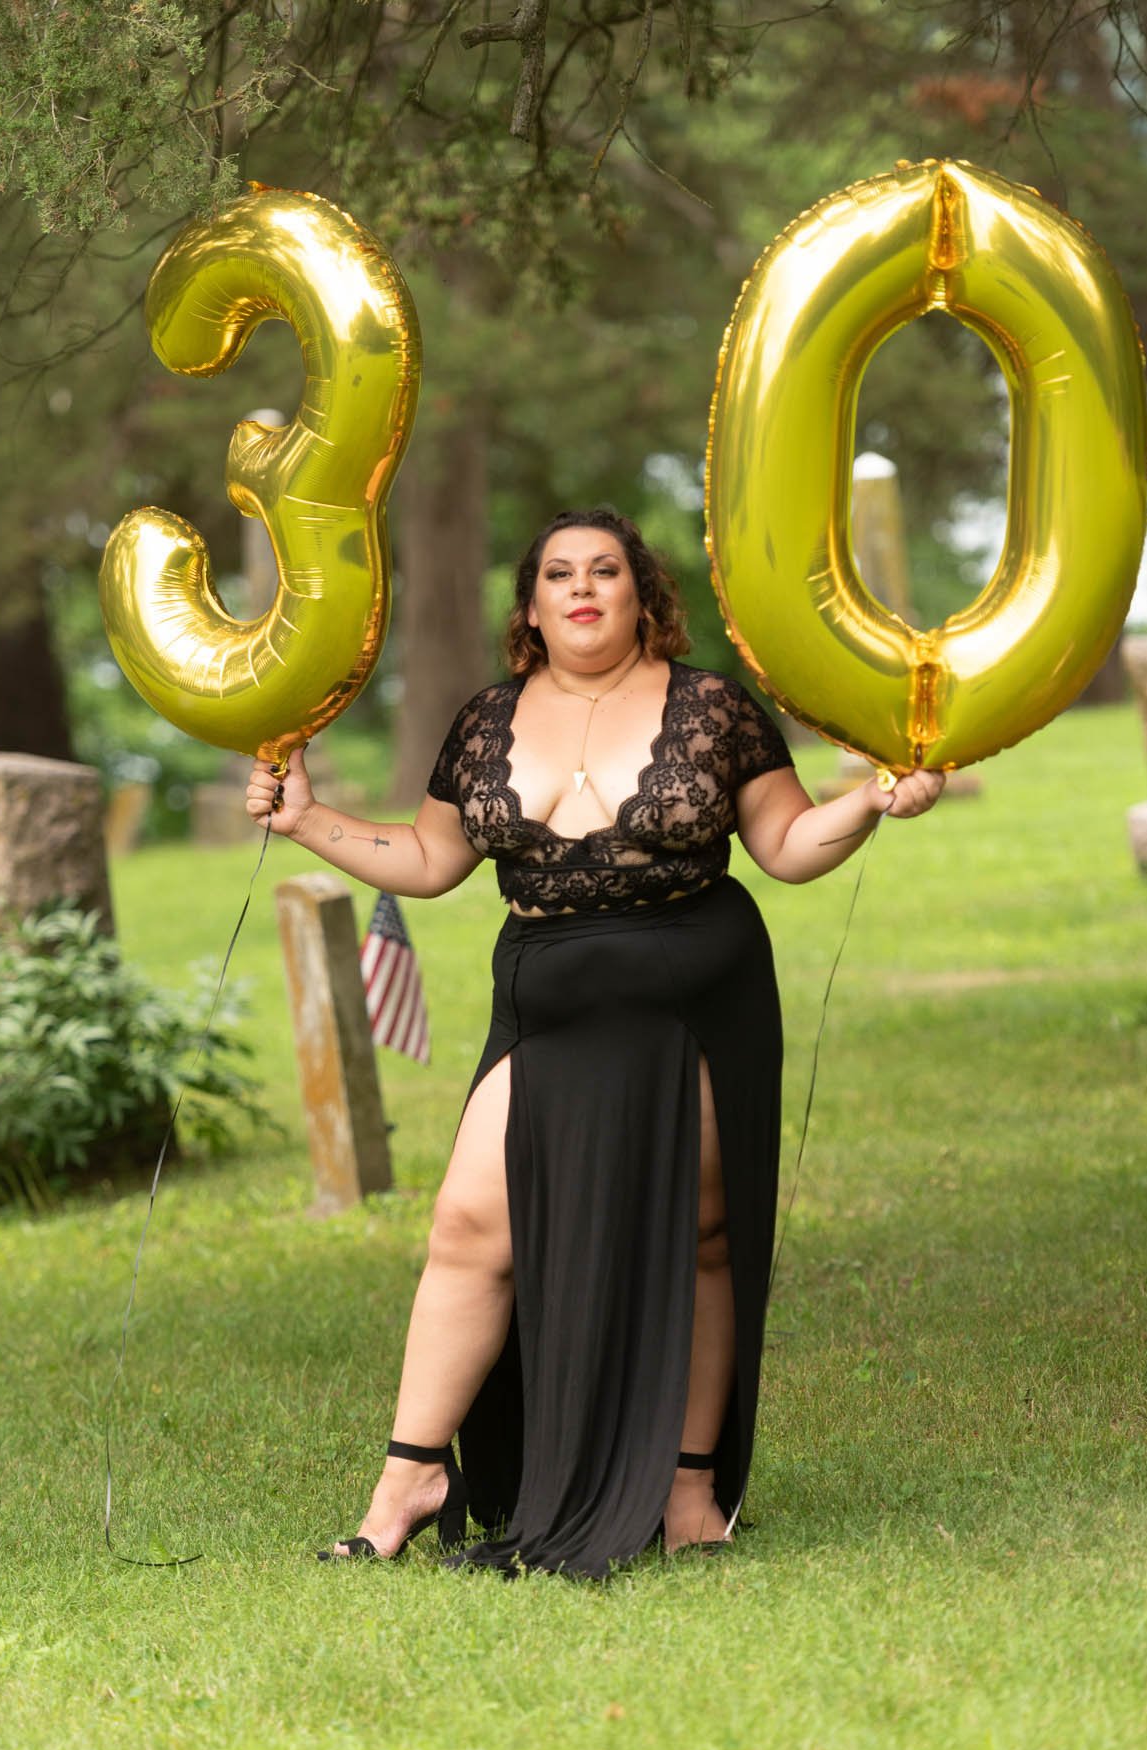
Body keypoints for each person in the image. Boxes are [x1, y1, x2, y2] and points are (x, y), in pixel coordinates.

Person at [246, 509, 943, 1577]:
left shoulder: (709, 706)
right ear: (528, 605)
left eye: (604, 570)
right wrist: (305, 820)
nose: (581, 587)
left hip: (695, 1000)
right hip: (547, 1007)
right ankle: (411, 1477)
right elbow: (431, 860)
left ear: (641, 593)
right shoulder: (485, 720)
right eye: (558, 573)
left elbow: (787, 847)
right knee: (472, 1224)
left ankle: (688, 1484)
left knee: (702, 1232)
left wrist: (869, 801)